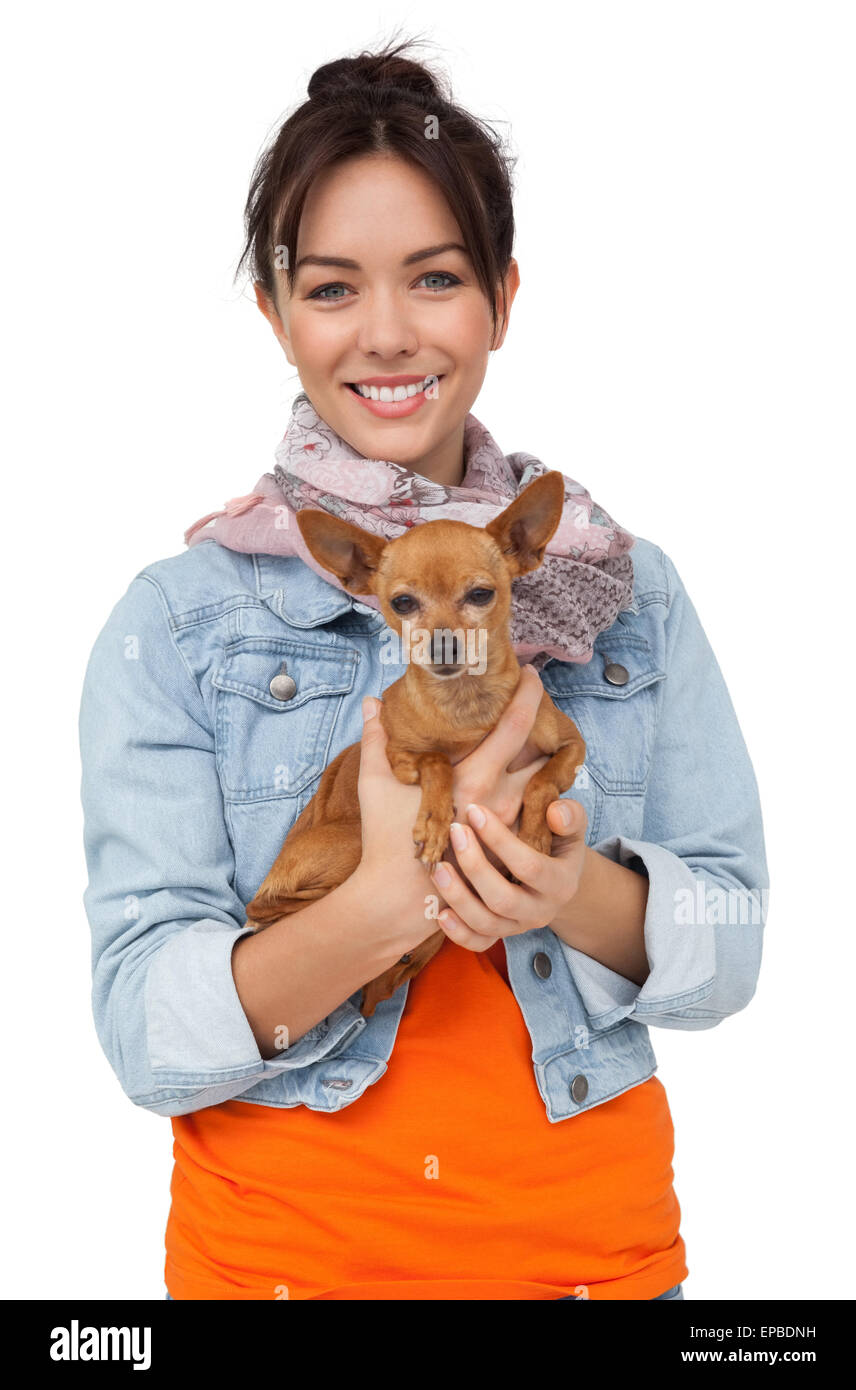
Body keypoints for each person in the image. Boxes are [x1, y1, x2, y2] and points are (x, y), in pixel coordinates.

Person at [79, 35, 768, 1302]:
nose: (386, 334)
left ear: (502, 296)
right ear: (274, 312)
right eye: (332, 288)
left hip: (590, 1268)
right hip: (280, 1273)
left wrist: (566, 889)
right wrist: (378, 904)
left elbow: (730, 938)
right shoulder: (179, 621)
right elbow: (143, 1032)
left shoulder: (628, 593)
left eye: (435, 278)